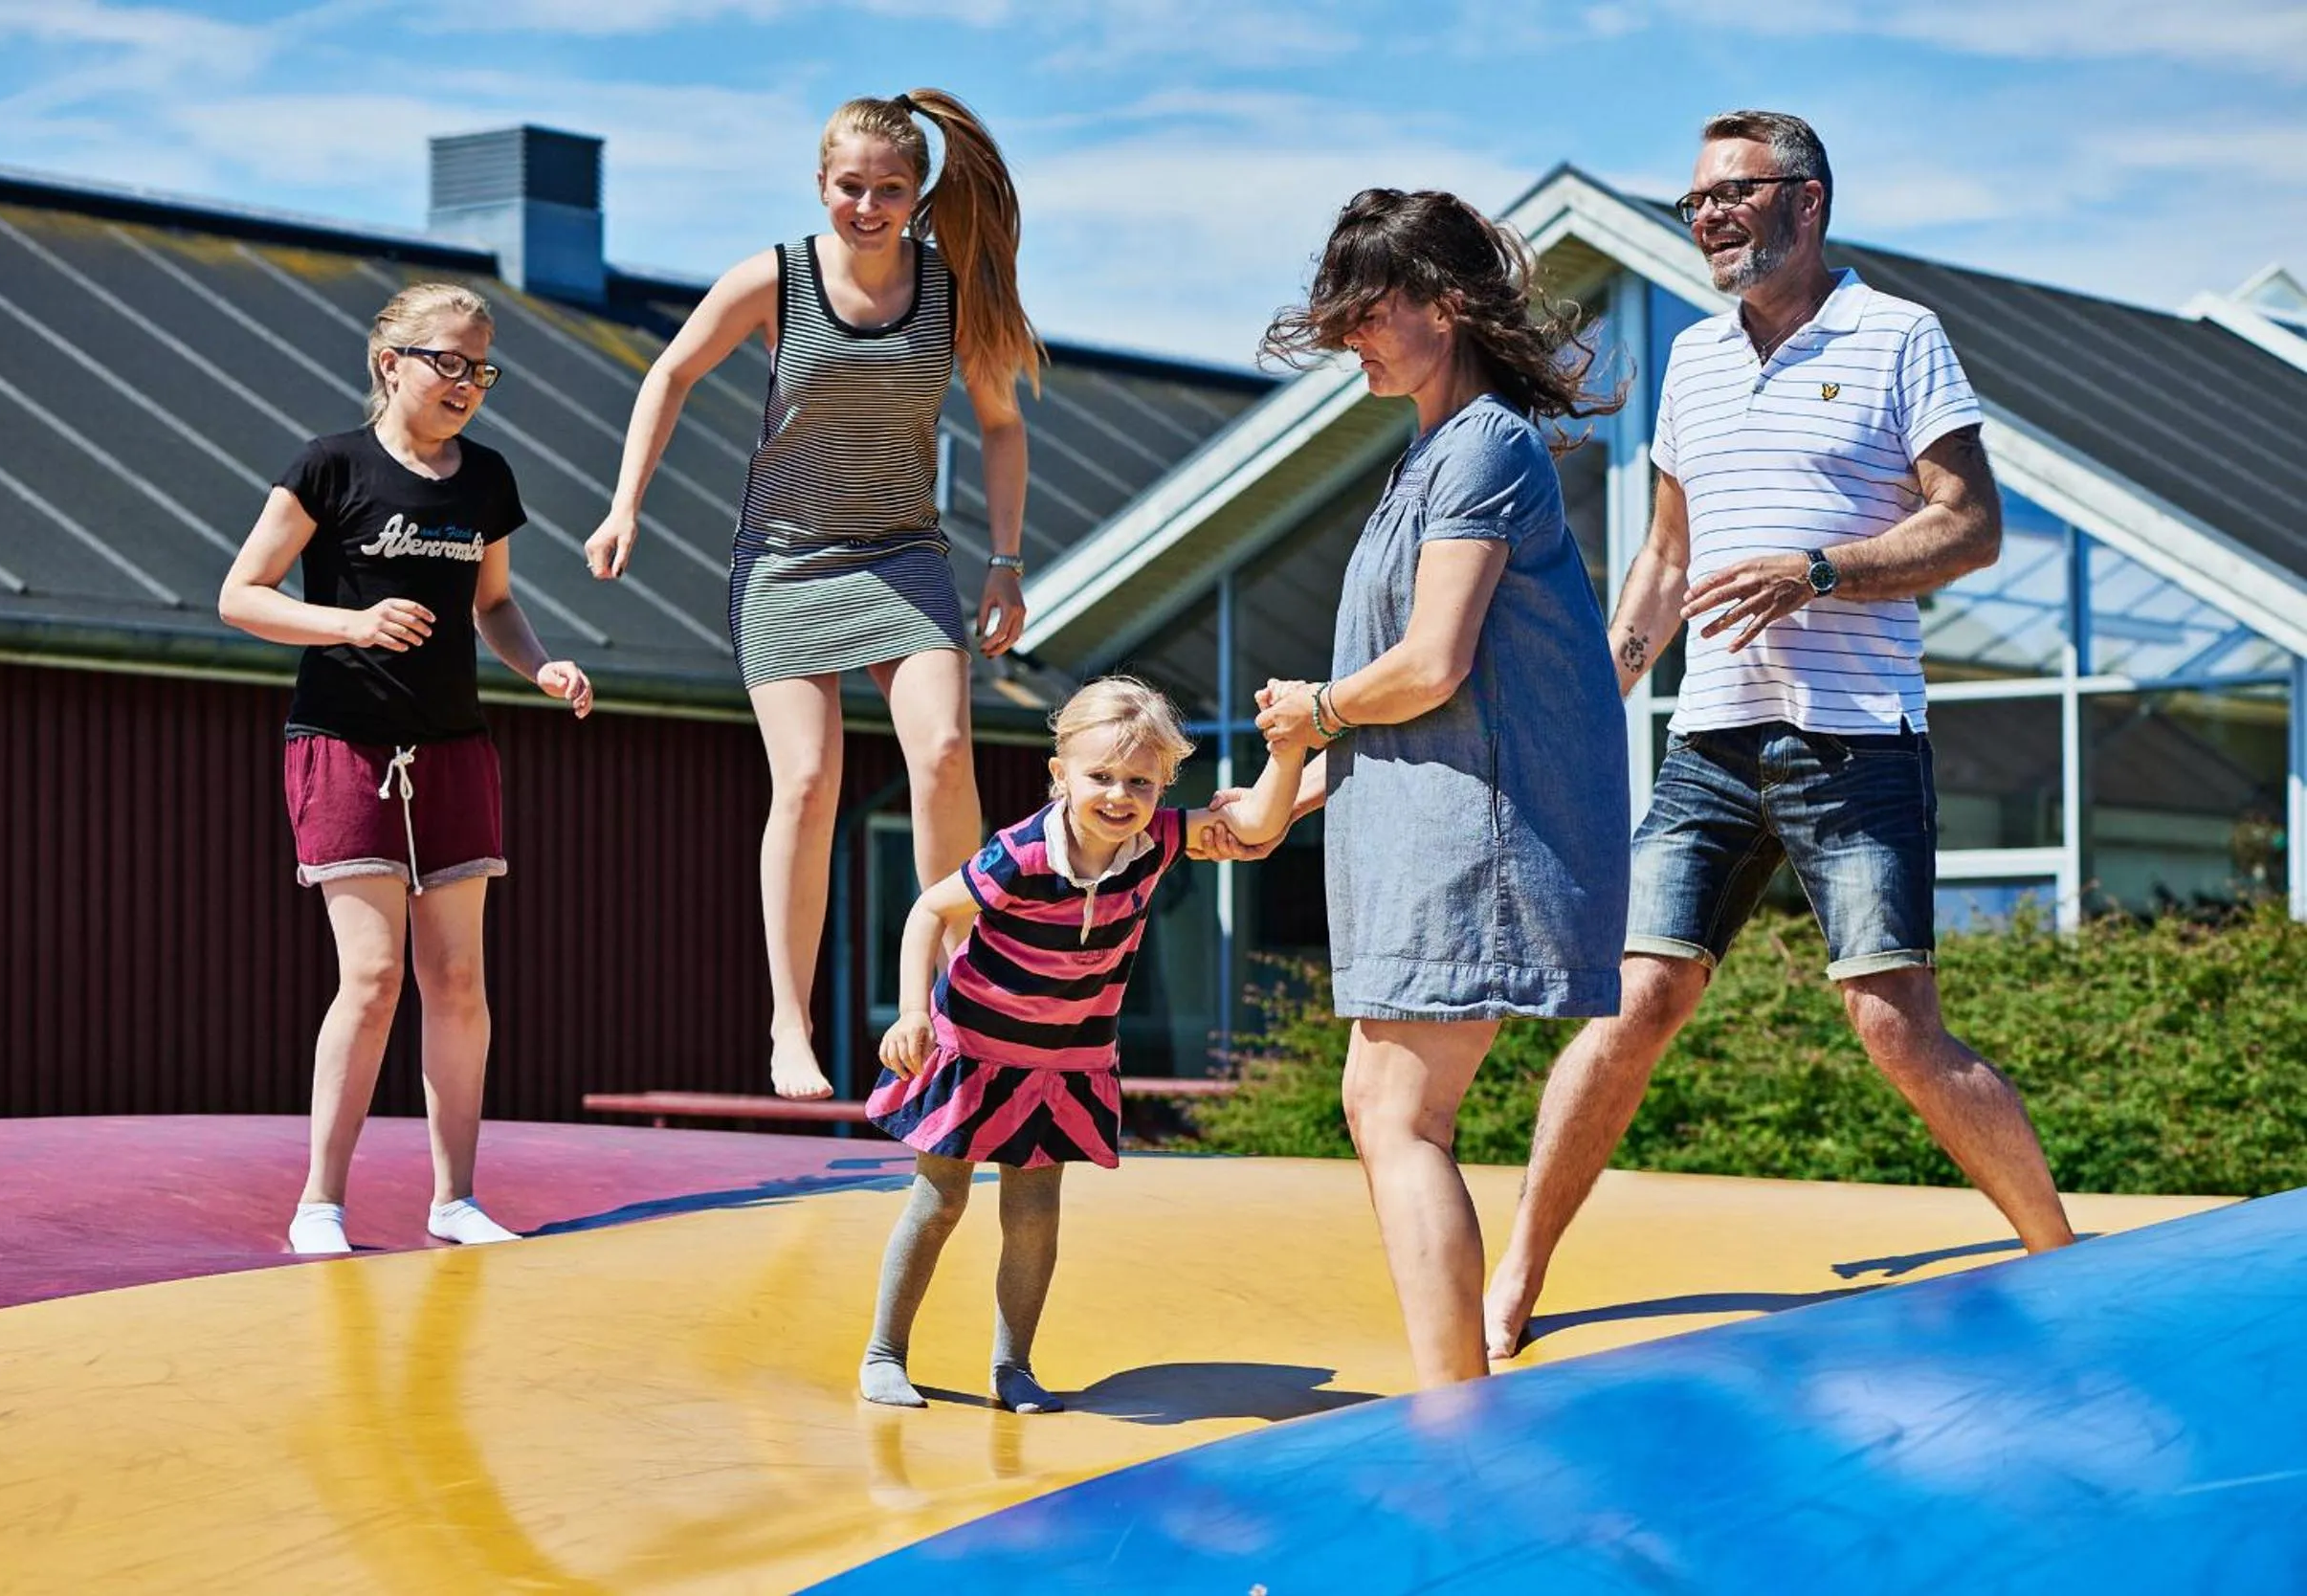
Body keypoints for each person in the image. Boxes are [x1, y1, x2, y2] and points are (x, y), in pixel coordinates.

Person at [1482, 110, 2075, 1359]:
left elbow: (1971, 526)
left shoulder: (1899, 336)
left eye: (1733, 195)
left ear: (1806, 204)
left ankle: (2063, 1266)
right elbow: (1663, 557)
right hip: (1713, 740)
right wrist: (1603, 690)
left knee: (1891, 1020)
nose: (1707, 217)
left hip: (1857, 738)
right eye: (1695, 199)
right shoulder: (1693, 360)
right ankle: (1514, 1278)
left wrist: (1823, 569)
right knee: (1634, 1000)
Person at [1213, 188, 1632, 1387]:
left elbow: (1432, 665)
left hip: (1475, 846)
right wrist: (1278, 801)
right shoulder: (1429, 458)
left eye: (1367, 310)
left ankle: (1458, 1414)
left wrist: (1317, 712)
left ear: (1445, 306)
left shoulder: (1486, 446)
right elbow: (1442, 693)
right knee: (1384, 1110)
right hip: (1431, 832)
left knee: (1399, 1118)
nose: (1347, 335)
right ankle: (1455, 1401)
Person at [584, 89, 1040, 1100]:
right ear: (819, 185)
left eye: (889, 189)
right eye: (850, 188)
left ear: (917, 194)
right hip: (786, 563)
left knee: (947, 751)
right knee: (805, 782)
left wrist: (1004, 560)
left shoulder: (950, 292)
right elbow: (670, 374)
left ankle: (941, 996)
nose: (867, 207)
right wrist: (625, 509)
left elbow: (1002, 424)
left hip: (903, 554)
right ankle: (790, 1025)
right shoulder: (776, 281)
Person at [217, 281, 593, 1255]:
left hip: (455, 746)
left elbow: (496, 604)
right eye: (450, 362)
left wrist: (539, 662)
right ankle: (320, 1204)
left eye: (483, 368)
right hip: (343, 741)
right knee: (375, 976)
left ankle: (454, 1198)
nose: (468, 382)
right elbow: (241, 595)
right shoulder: (329, 467)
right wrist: (352, 622)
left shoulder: (486, 480)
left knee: (458, 977)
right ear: (392, 363)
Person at [857, 676, 1304, 1413]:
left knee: (1035, 1211)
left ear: (1164, 784)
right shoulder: (1021, 855)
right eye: (1100, 777)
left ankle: (1013, 1366)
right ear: (1061, 776)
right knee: (939, 1201)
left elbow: (1255, 824)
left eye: (1140, 781)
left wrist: (1286, 756)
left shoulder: (1154, 842)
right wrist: (912, 1014)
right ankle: (885, 1353)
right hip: (975, 1046)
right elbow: (929, 911)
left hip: (1066, 1058)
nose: (1119, 796)